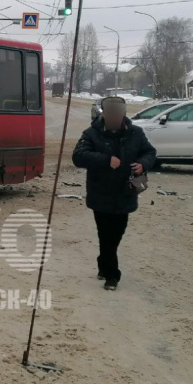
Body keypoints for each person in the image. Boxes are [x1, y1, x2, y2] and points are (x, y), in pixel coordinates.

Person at [72, 96, 156, 291]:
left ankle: (103, 263)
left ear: (124, 114)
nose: (115, 117)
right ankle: (112, 275)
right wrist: (106, 159)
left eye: (118, 113)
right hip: (100, 193)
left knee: (115, 234)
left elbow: (150, 152)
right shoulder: (92, 133)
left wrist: (143, 164)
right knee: (105, 234)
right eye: (111, 113)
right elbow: (78, 156)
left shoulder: (136, 133)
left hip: (126, 192)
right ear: (105, 113)